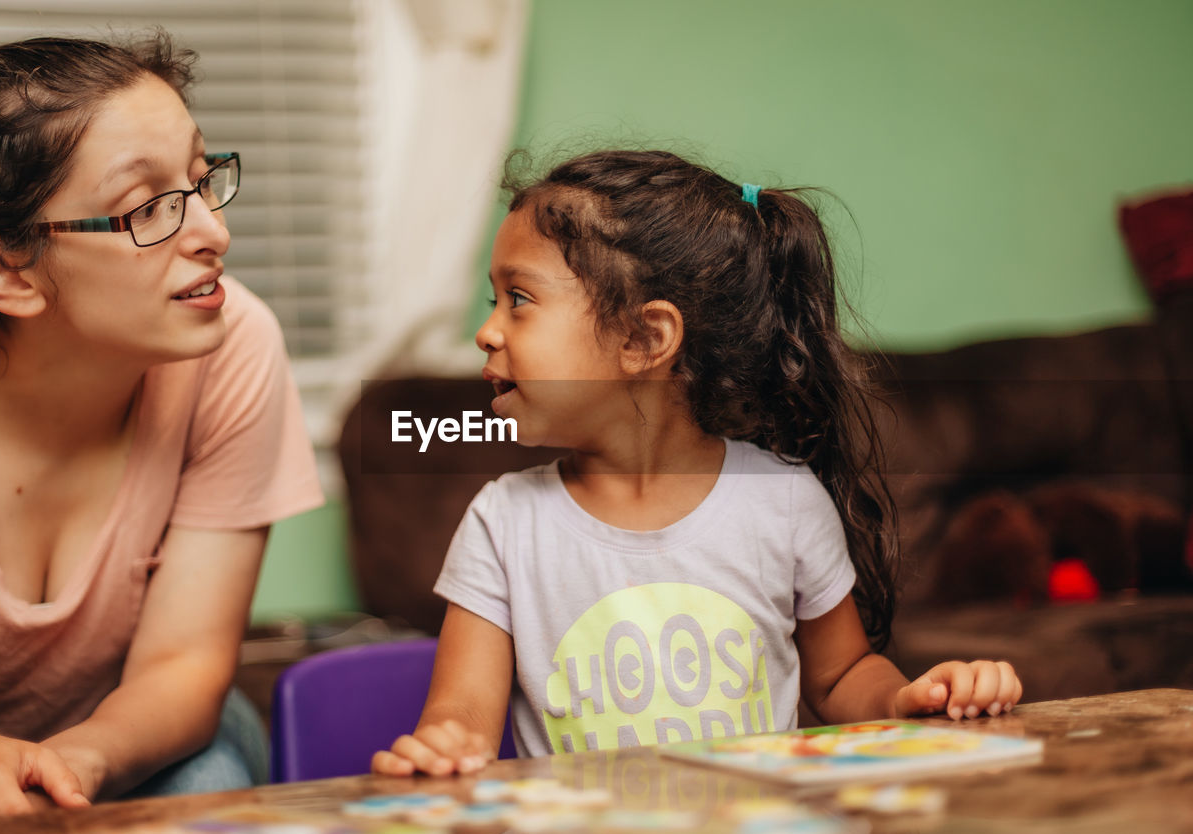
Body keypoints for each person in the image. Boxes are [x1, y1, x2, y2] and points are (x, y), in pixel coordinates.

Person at [372, 150, 1023, 775]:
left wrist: (908, 701)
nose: (486, 331)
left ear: (643, 339)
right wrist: (443, 745)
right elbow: (460, 713)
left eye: (518, 298)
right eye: (494, 300)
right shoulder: (502, 523)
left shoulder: (785, 504)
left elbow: (842, 676)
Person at [0, 33, 323, 823]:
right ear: (7, 270)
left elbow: (181, 668)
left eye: (201, 183)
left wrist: (61, 769)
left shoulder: (234, 340)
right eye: (150, 209)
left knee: (204, 784)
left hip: (128, 734)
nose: (213, 233)